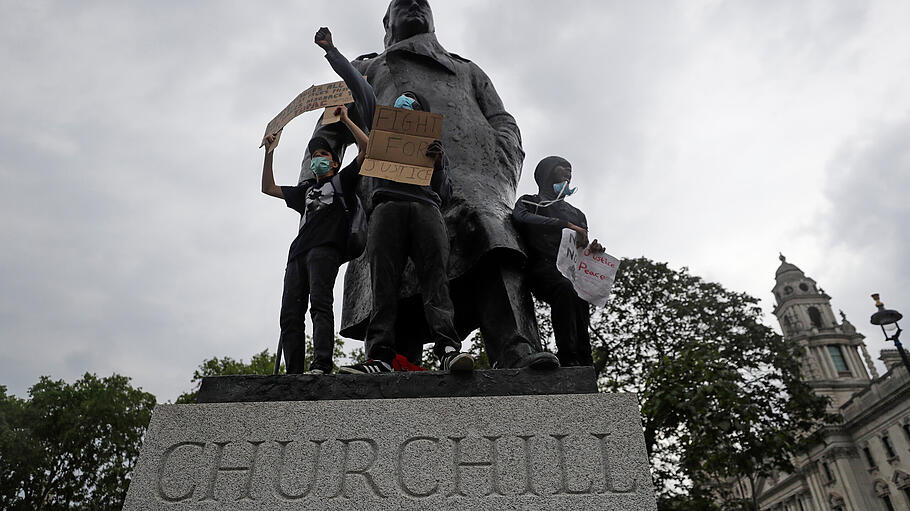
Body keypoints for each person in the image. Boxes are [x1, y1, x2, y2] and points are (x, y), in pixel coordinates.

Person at [301, 0, 559, 370]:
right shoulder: (367, 68)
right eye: (401, 3)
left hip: (466, 185)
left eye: (421, 2)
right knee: (395, 272)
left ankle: (516, 349)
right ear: (386, 22)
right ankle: (392, 359)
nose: (413, 5)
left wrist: (493, 171)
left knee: (488, 233)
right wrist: (315, 203)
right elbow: (324, 140)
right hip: (386, 192)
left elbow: (505, 124)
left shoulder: (467, 71)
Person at [261, 28, 374, 374]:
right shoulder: (305, 191)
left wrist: (346, 121)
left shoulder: (343, 181)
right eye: (314, 157)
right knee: (289, 313)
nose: (318, 160)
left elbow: (367, 149)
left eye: (323, 155)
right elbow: (269, 188)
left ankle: (321, 363)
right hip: (297, 253)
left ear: (335, 161)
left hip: (326, 249)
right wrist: (270, 152)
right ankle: (293, 372)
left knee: (320, 306)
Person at [340, 90, 473, 374]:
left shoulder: (437, 148)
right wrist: (332, 51)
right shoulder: (382, 136)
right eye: (401, 100)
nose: (405, 102)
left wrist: (436, 165)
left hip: (426, 209)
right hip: (387, 208)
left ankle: (448, 350)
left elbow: (445, 193)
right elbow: (360, 91)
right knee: (383, 283)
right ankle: (380, 356)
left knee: (436, 279)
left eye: (412, 101)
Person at [512, 156, 604, 367]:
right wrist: (564, 224)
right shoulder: (529, 202)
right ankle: (568, 358)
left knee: (580, 303)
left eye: (571, 169)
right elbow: (521, 217)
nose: (568, 172)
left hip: (571, 271)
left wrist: (593, 249)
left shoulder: (577, 214)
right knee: (565, 289)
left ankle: (584, 361)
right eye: (563, 167)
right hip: (542, 267)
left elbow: (581, 245)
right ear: (547, 172)